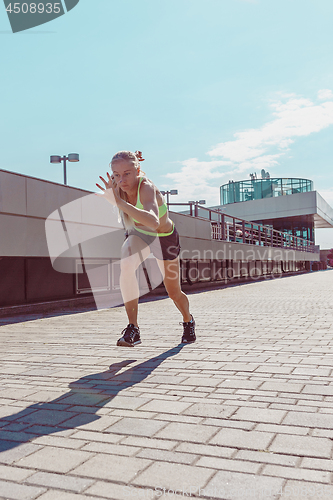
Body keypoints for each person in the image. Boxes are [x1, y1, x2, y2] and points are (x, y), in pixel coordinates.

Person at [96, 150, 196, 347]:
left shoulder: (147, 187)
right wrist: (115, 197)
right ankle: (133, 328)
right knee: (126, 264)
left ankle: (188, 320)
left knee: (173, 292)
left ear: (137, 171)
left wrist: (119, 202)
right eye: (116, 175)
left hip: (164, 237)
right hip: (140, 235)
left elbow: (152, 221)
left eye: (127, 173)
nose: (121, 179)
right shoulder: (117, 189)